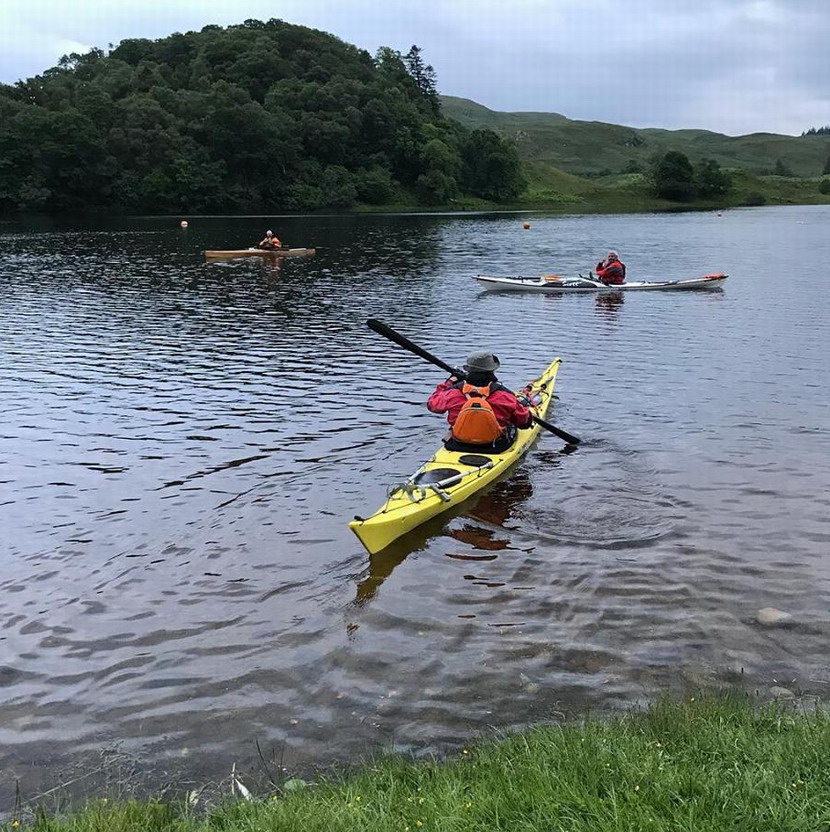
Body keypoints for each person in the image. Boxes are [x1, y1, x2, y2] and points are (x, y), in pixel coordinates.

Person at [427, 351, 533, 452]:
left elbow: (432, 405)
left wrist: (449, 382)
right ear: (492, 371)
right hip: (495, 447)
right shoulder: (505, 395)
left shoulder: (452, 393)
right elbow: (524, 423)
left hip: (458, 445)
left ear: (468, 371)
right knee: (511, 421)